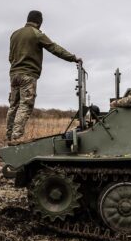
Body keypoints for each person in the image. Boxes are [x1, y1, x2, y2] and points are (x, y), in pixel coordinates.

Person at [7, 10, 82, 143]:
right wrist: (73, 58)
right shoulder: (36, 34)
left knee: (13, 106)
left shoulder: (14, 34)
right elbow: (54, 48)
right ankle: (16, 138)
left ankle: (8, 136)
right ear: (39, 22)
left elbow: (10, 57)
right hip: (28, 75)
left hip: (14, 74)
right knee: (25, 105)